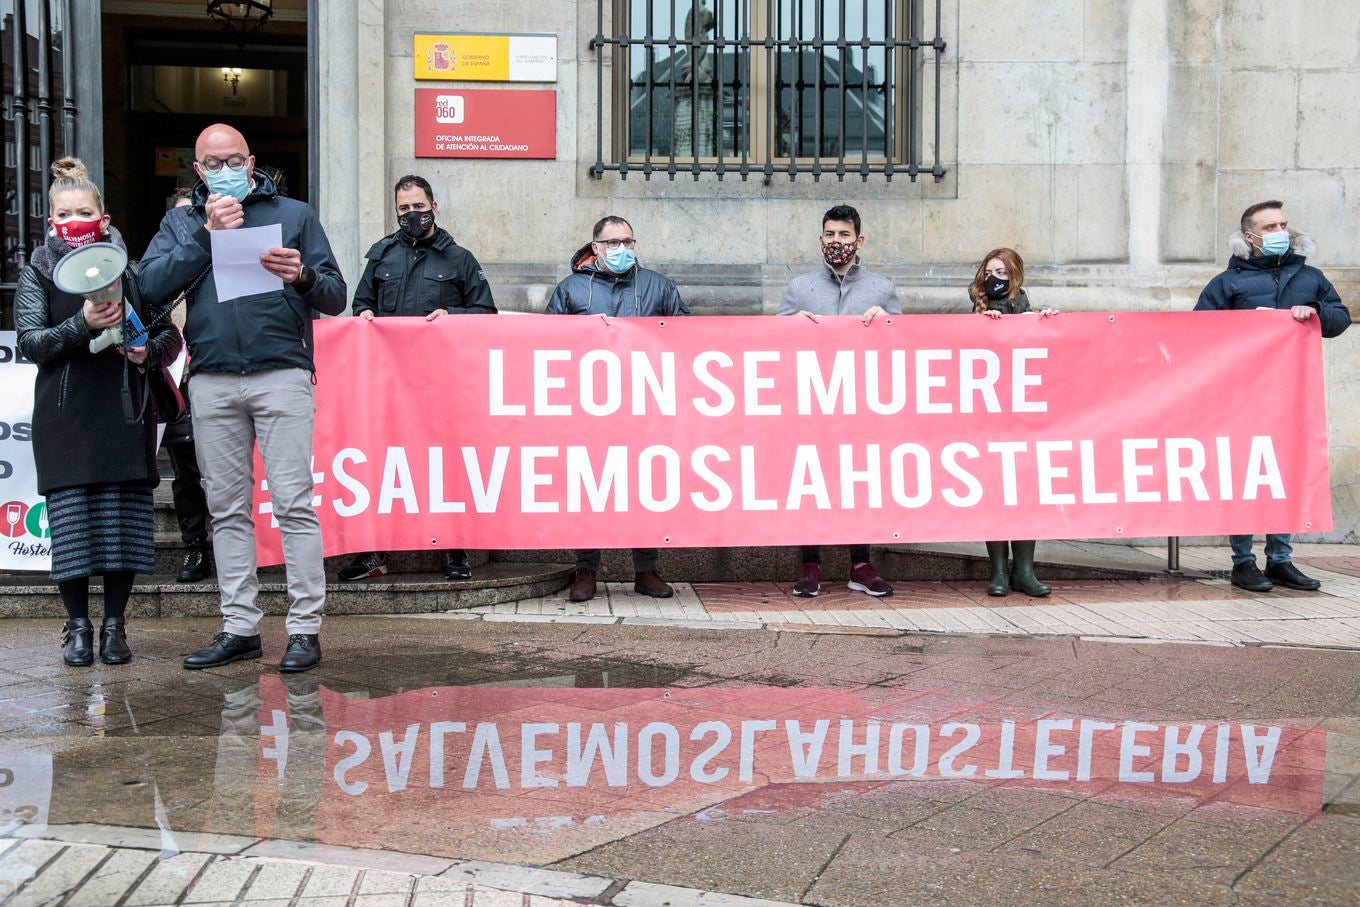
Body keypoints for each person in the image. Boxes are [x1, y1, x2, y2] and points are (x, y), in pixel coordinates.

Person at [139, 124, 347, 673]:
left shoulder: (294, 213)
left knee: (293, 504)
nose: (223, 167)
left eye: (233, 158)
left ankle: (304, 629)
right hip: (211, 377)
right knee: (226, 509)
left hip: (281, 373)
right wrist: (205, 237)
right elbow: (149, 288)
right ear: (198, 170)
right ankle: (239, 627)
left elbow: (336, 294)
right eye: (212, 161)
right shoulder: (182, 221)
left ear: (252, 161)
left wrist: (301, 274)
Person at [16, 157, 182, 666]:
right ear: (51, 222)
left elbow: (168, 335)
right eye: (64, 213)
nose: (75, 221)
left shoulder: (130, 273)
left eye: (84, 211)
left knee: (121, 528)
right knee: (72, 529)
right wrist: (83, 324)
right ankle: (79, 628)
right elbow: (31, 342)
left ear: (103, 217)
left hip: (124, 413)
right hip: (65, 419)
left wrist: (144, 352)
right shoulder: (37, 273)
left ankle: (114, 627)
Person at [339, 174, 496, 583]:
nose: (412, 214)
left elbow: (486, 315)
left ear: (434, 206)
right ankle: (372, 553)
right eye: (404, 208)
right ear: (396, 210)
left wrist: (452, 317)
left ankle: (453, 549)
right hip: (387, 383)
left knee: (443, 466)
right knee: (379, 465)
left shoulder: (459, 259)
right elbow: (360, 305)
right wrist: (365, 317)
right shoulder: (382, 256)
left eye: (419, 206)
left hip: (440, 385)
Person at [1195, 200, 1350, 593]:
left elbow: (1339, 318)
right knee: (1246, 475)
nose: (1281, 232)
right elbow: (1195, 334)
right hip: (1240, 399)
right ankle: (1243, 562)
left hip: (1292, 397)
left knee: (1286, 474)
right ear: (1249, 237)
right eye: (1270, 227)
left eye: (1284, 224)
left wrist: (1314, 311)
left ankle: (1280, 558)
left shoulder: (1310, 277)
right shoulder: (1226, 284)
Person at [545, 215, 688, 603]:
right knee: (591, 486)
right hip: (588, 409)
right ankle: (586, 569)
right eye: (612, 243)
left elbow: (687, 339)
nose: (621, 249)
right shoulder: (571, 289)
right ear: (595, 248)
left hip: (644, 407)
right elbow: (545, 347)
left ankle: (646, 569)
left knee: (644, 487)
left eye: (628, 241)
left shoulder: (657, 285)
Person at [777, 204, 900, 598]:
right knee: (811, 479)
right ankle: (810, 563)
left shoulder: (881, 288)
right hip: (812, 403)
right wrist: (792, 327)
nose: (837, 242)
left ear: (858, 240)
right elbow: (774, 345)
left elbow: (902, 345)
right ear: (821, 239)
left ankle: (860, 563)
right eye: (830, 234)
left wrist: (888, 323)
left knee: (859, 480)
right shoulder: (799, 288)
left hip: (861, 404)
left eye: (844, 235)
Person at [967, 247, 1058, 597]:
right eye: (990, 271)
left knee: (1024, 493)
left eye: (1003, 273)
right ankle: (999, 572)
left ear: (1016, 276)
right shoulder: (975, 309)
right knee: (995, 494)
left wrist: (1046, 322)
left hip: (1024, 418)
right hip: (989, 419)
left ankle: (1024, 571)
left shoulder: (1026, 309)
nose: (995, 279)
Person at [162, 188, 213, 584]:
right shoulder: (164, 276)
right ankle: (196, 546)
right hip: (178, 386)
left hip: (216, 374)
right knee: (186, 473)